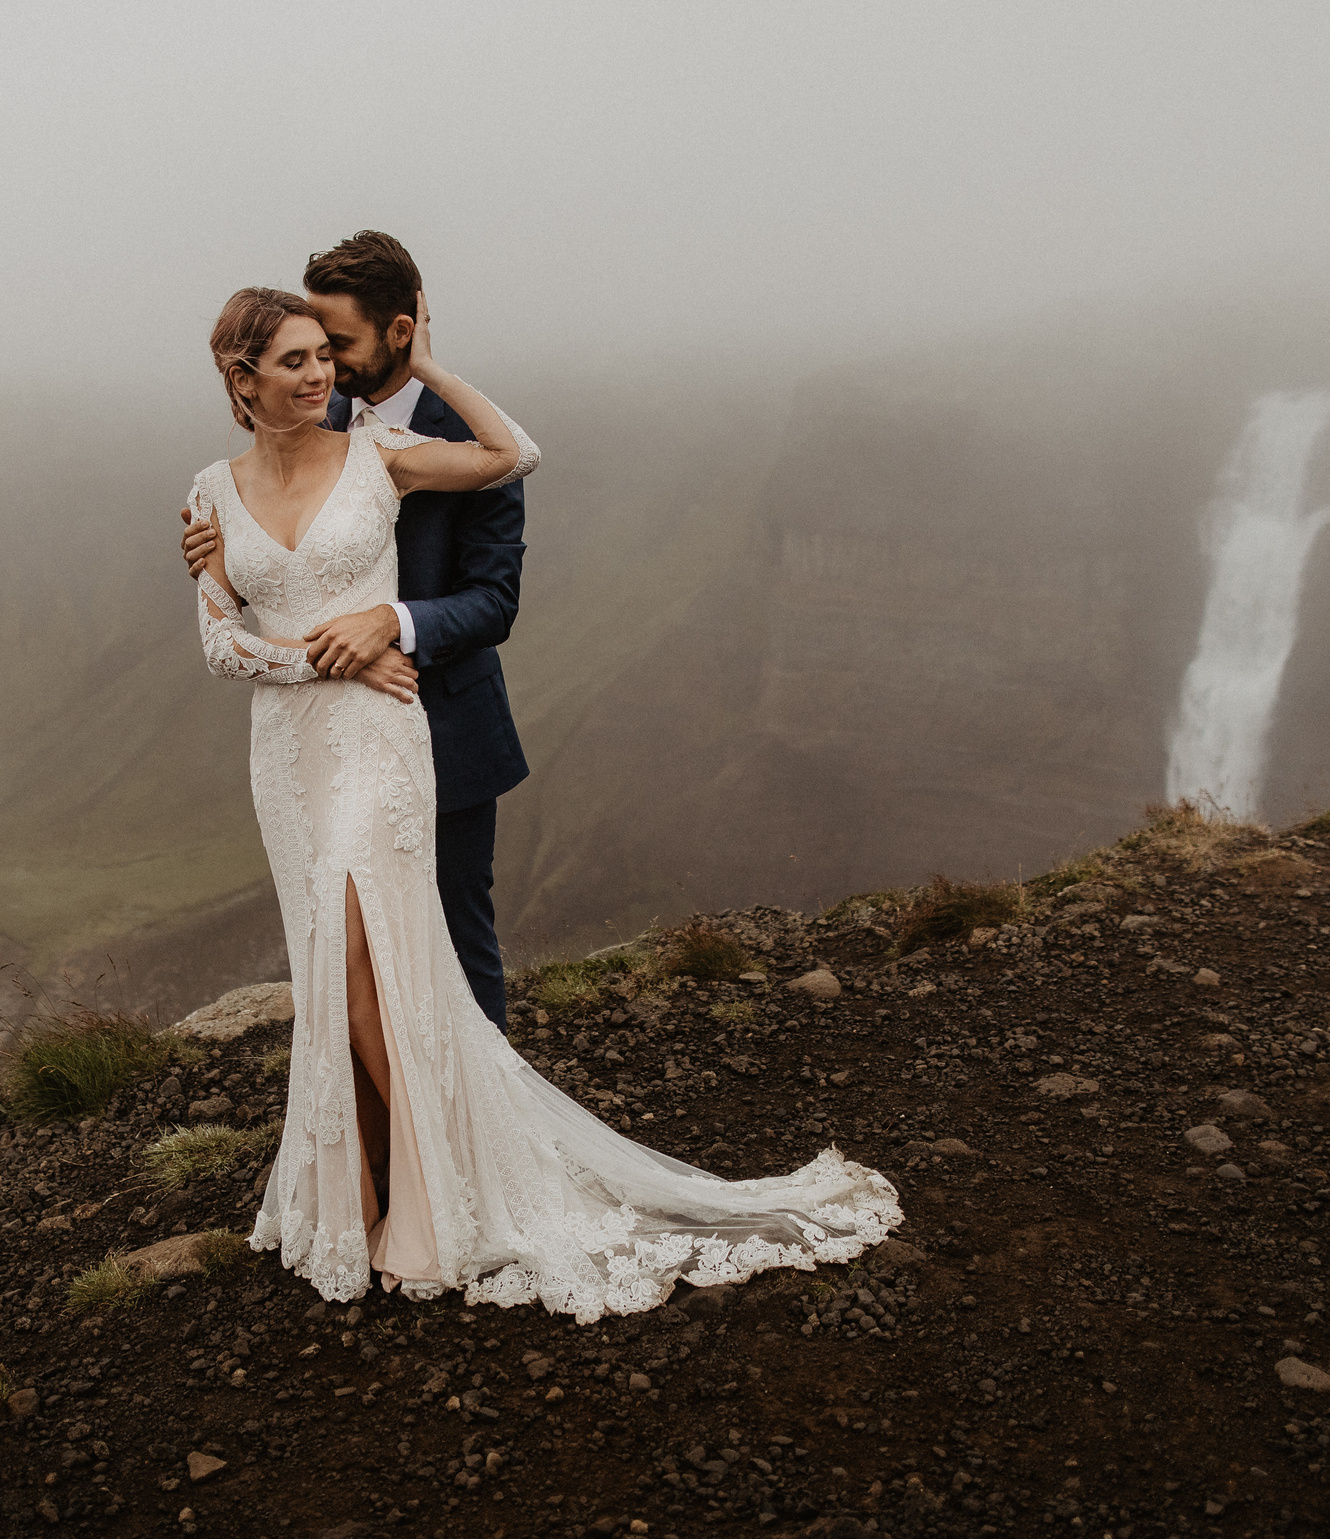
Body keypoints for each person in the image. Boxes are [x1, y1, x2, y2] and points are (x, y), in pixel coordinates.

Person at [187, 284, 899, 1316]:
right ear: (239, 381)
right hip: (291, 748)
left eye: (323, 356)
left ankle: (436, 1203)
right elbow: (219, 646)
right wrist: (323, 661)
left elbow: (512, 453)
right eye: (293, 361)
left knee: (364, 956)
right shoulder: (209, 494)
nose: (319, 374)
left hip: (381, 739)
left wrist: (425, 362)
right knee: (340, 973)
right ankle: (365, 1190)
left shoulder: (374, 456)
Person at [182, 232, 524, 1032]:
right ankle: (384, 1138)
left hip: (443, 717)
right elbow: (264, 549)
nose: (322, 366)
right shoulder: (309, 416)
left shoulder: (451, 428)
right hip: (323, 740)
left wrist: (390, 624)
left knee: (457, 940)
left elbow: (495, 601)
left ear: (400, 332)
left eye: (335, 344)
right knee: (352, 955)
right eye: (308, 348)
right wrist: (215, 551)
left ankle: (471, 1140)